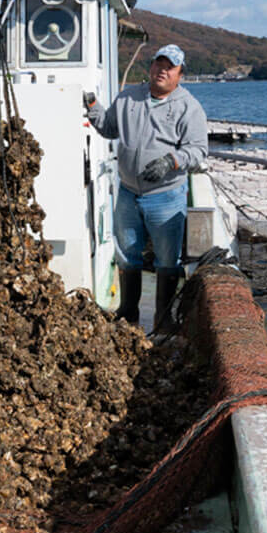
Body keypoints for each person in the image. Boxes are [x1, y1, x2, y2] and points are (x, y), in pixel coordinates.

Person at [84, 43, 207, 330]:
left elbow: (199, 150)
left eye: (170, 67)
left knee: (167, 258)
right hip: (128, 192)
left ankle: (163, 320)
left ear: (179, 74)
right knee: (127, 253)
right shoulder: (128, 98)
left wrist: (172, 161)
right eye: (158, 64)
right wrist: (91, 106)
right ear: (150, 67)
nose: (162, 70)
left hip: (166, 197)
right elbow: (109, 127)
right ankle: (129, 312)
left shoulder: (189, 107)